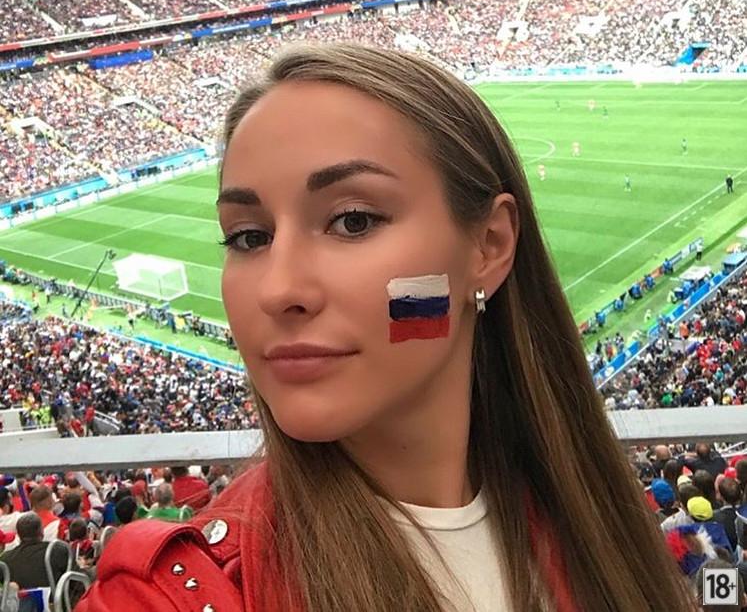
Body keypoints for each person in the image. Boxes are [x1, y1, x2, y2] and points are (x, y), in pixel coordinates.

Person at [77, 44, 696, 611]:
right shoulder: (166, 593)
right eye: (248, 236)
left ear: (488, 245)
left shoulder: (599, 527)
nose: (278, 290)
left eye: (353, 221)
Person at [0, 512, 68, 590]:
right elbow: (75, 581)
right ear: (42, 532)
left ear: (18, 535)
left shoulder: (5, 559)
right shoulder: (58, 550)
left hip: (18, 598)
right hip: (55, 597)